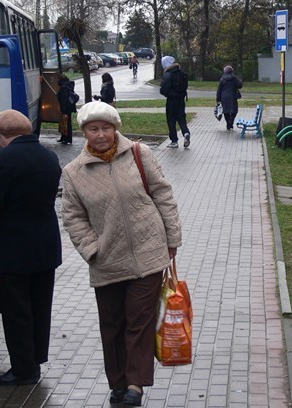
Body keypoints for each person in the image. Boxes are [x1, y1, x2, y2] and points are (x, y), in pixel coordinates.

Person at [62, 102, 182, 407]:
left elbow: (163, 194)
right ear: (84, 133)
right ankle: (117, 382)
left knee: (139, 321)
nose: (101, 134)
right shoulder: (74, 172)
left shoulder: (140, 154)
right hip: (106, 259)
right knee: (112, 323)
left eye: (106, 127)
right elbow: (73, 217)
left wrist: (172, 238)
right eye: (93, 129)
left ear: (115, 128)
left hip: (148, 252)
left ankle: (134, 384)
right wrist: (92, 249)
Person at [0, 109, 63, 386]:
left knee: (17, 311)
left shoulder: (1, 161)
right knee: (40, 306)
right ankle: (35, 360)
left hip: (14, 247)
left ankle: (23, 369)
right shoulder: (49, 157)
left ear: (4, 136)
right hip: (45, 244)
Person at [159, 55, 191, 148]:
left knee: (171, 120)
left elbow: (164, 89)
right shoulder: (182, 73)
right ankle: (186, 132)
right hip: (181, 99)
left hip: (171, 101)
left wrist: (165, 92)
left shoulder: (168, 74)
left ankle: (174, 141)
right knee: (181, 118)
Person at [216, 65, 243, 131]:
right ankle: (231, 121)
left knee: (226, 111)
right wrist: (239, 80)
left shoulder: (222, 79)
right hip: (233, 96)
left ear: (225, 71)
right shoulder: (235, 78)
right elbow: (240, 86)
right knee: (234, 110)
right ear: (232, 71)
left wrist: (218, 99)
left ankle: (228, 123)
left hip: (224, 97)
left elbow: (219, 90)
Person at [57, 74, 79, 145]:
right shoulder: (68, 85)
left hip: (65, 108)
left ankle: (67, 138)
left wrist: (63, 109)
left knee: (66, 123)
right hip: (69, 107)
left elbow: (64, 99)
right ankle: (65, 138)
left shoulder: (64, 87)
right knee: (66, 123)